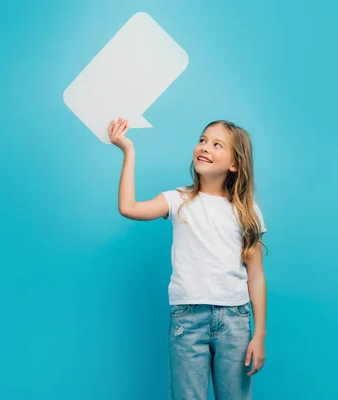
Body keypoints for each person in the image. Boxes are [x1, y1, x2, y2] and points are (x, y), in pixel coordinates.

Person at [108, 117, 267, 399]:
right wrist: (128, 150)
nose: (205, 147)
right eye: (203, 140)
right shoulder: (177, 199)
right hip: (188, 319)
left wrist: (259, 334)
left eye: (217, 144)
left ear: (234, 164)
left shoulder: (247, 211)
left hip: (235, 321)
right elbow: (128, 207)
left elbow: (256, 276)